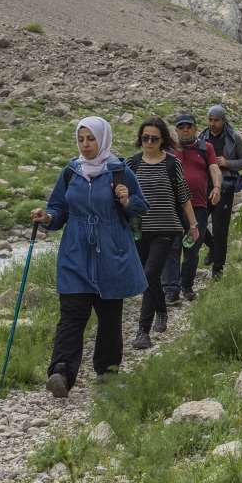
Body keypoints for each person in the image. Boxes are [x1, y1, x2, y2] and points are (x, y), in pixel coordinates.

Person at [31, 116, 148, 398]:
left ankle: (107, 374)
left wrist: (126, 200)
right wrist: (47, 217)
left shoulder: (120, 171)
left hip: (111, 252)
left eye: (91, 139)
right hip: (76, 252)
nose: (85, 145)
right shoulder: (71, 172)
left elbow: (141, 207)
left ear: (103, 139)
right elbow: (58, 209)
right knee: (72, 314)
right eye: (81, 139)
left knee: (109, 317)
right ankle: (61, 372)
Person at [126, 118, 196, 350]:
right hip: (139, 229)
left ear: (162, 140)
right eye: (145, 137)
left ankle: (142, 332)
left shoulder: (171, 163)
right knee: (150, 278)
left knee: (148, 274)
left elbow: (184, 196)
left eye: (154, 138)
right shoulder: (132, 164)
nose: (149, 142)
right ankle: (162, 310)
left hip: (166, 228)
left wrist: (193, 225)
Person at [163, 113, 222, 304]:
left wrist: (217, 187)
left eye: (189, 126)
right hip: (173, 205)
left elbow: (214, 168)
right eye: (181, 127)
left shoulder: (206, 147)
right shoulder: (168, 149)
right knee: (173, 247)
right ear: (176, 130)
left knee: (192, 248)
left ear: (196, 128)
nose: (185, 129)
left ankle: (186, 286)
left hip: (198, 205)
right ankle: (171, 289)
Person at [198, 104, 242, 280]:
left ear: (223, 120)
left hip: (226, 187)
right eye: (210, 120)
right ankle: (212, 246)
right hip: (203, 186)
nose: (212, 123)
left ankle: (217, 270)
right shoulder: (201, 138)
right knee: (198, 223)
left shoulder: (234, 138)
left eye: (216, 120)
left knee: (221, 230)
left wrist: (227, 163)